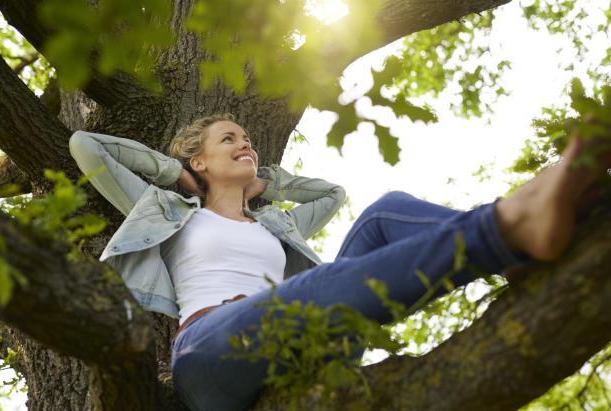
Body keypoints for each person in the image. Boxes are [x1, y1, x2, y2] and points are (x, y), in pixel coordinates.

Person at [69, 113, 610, 411]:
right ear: (199, 159)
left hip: (302, 340)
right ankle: (510, 228)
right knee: (316, 284)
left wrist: (268, 182)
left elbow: (333, 194)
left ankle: (514, 247)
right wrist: (178, 176)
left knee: (385, 210)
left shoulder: (277, 225)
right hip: (211, 354)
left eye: (249, 139)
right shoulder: (169, 212)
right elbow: (87, 145)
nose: (246, 144)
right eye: (228, 139)